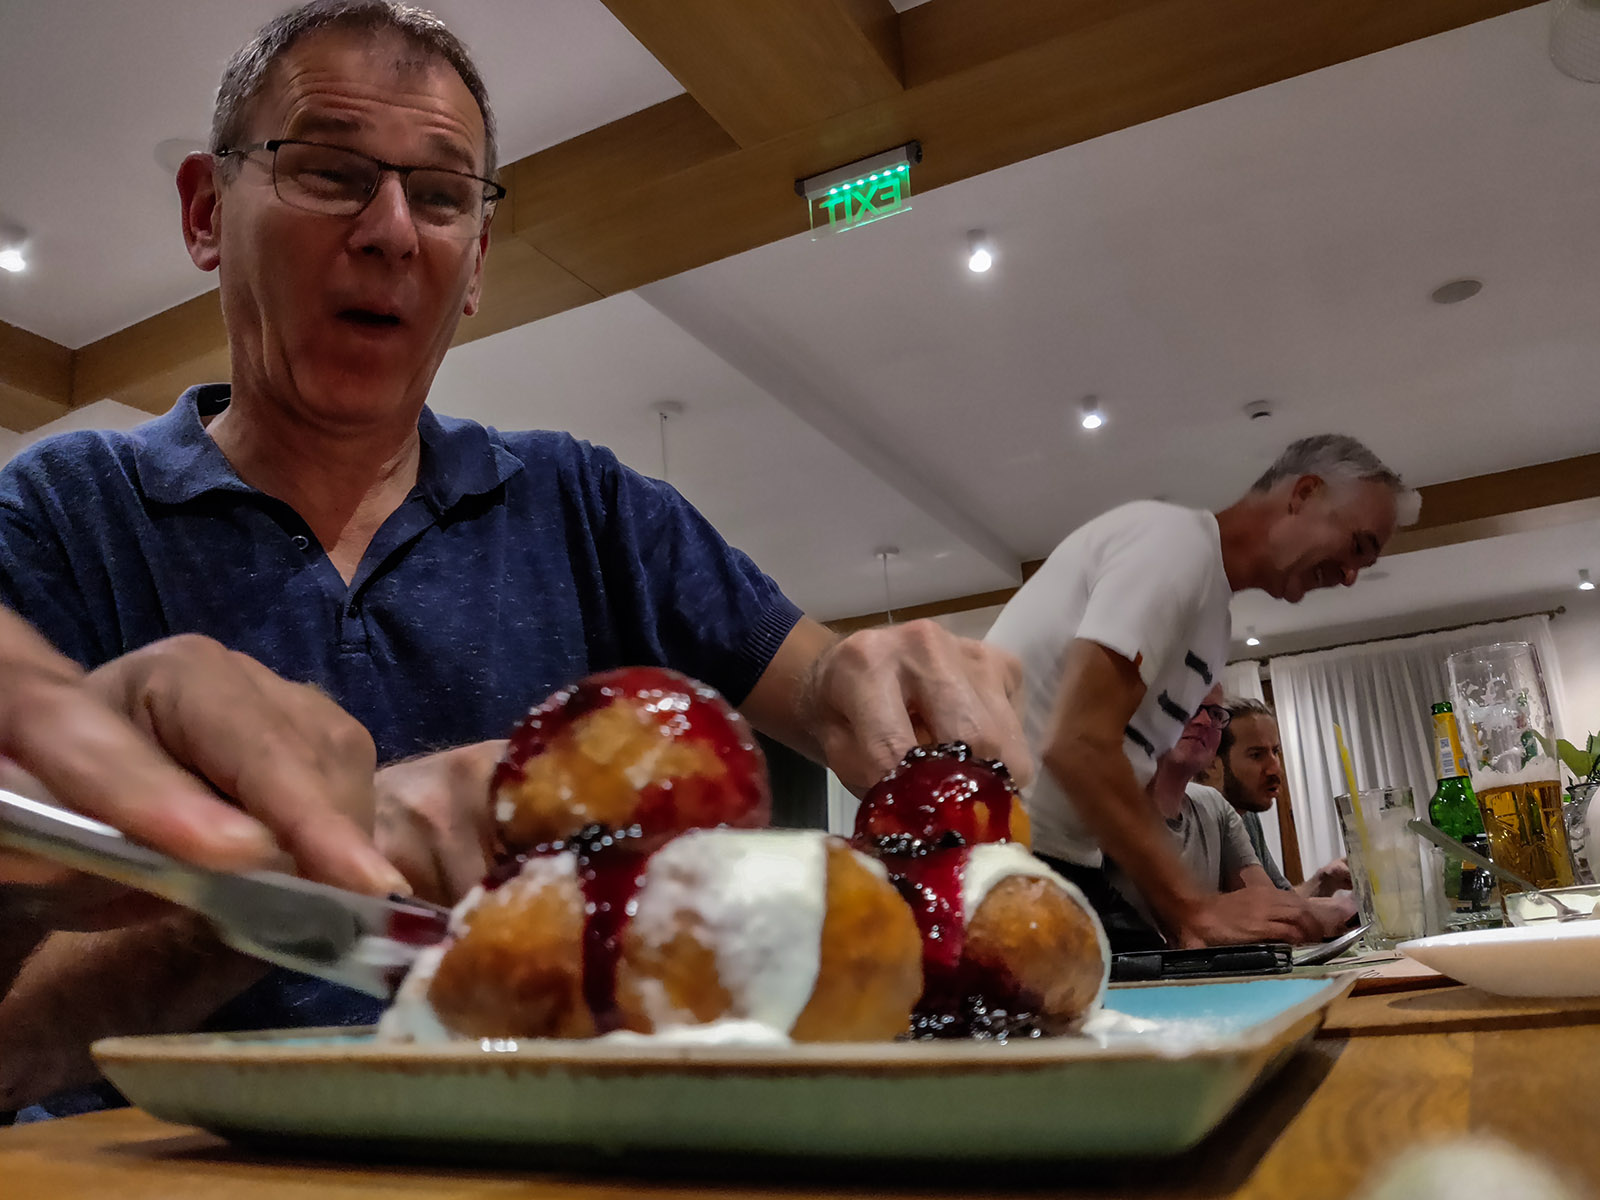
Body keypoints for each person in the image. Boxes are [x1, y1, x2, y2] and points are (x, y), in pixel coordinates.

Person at [0, 1, 1026, 1114]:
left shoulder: (583, 502)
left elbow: (822, 689)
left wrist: (869, 680)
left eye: (443, 196)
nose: (394, 230)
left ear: (477, 259)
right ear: (207, 212)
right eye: (331, 172)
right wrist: (305, 872)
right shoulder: (56, 518)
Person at [987, 433, 1417, 950]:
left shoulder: (1214, 628)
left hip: (1066, 864)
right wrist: (1194, 908)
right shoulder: (1175, 543)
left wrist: (1247, 913)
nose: (1349, 577)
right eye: (1358, 547)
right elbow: (1077, 743)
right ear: (1305, 494)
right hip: (995, 852)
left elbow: (1127, 770)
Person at [1096, 687, 1355, 944]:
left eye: (1215, 713)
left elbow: (1272, 913)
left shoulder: (1215, 805)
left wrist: (1350, 907)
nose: (1204, 720)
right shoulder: (1099, 808)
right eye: (1188, 707)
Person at [1219, 697, 1352, 898]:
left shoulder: (1246, 816)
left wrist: (1324, 880)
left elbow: (1280, 900)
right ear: (1213, 762)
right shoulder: (1195, 824)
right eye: (1256, 755)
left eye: (1275, 752)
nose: (1275, 768)